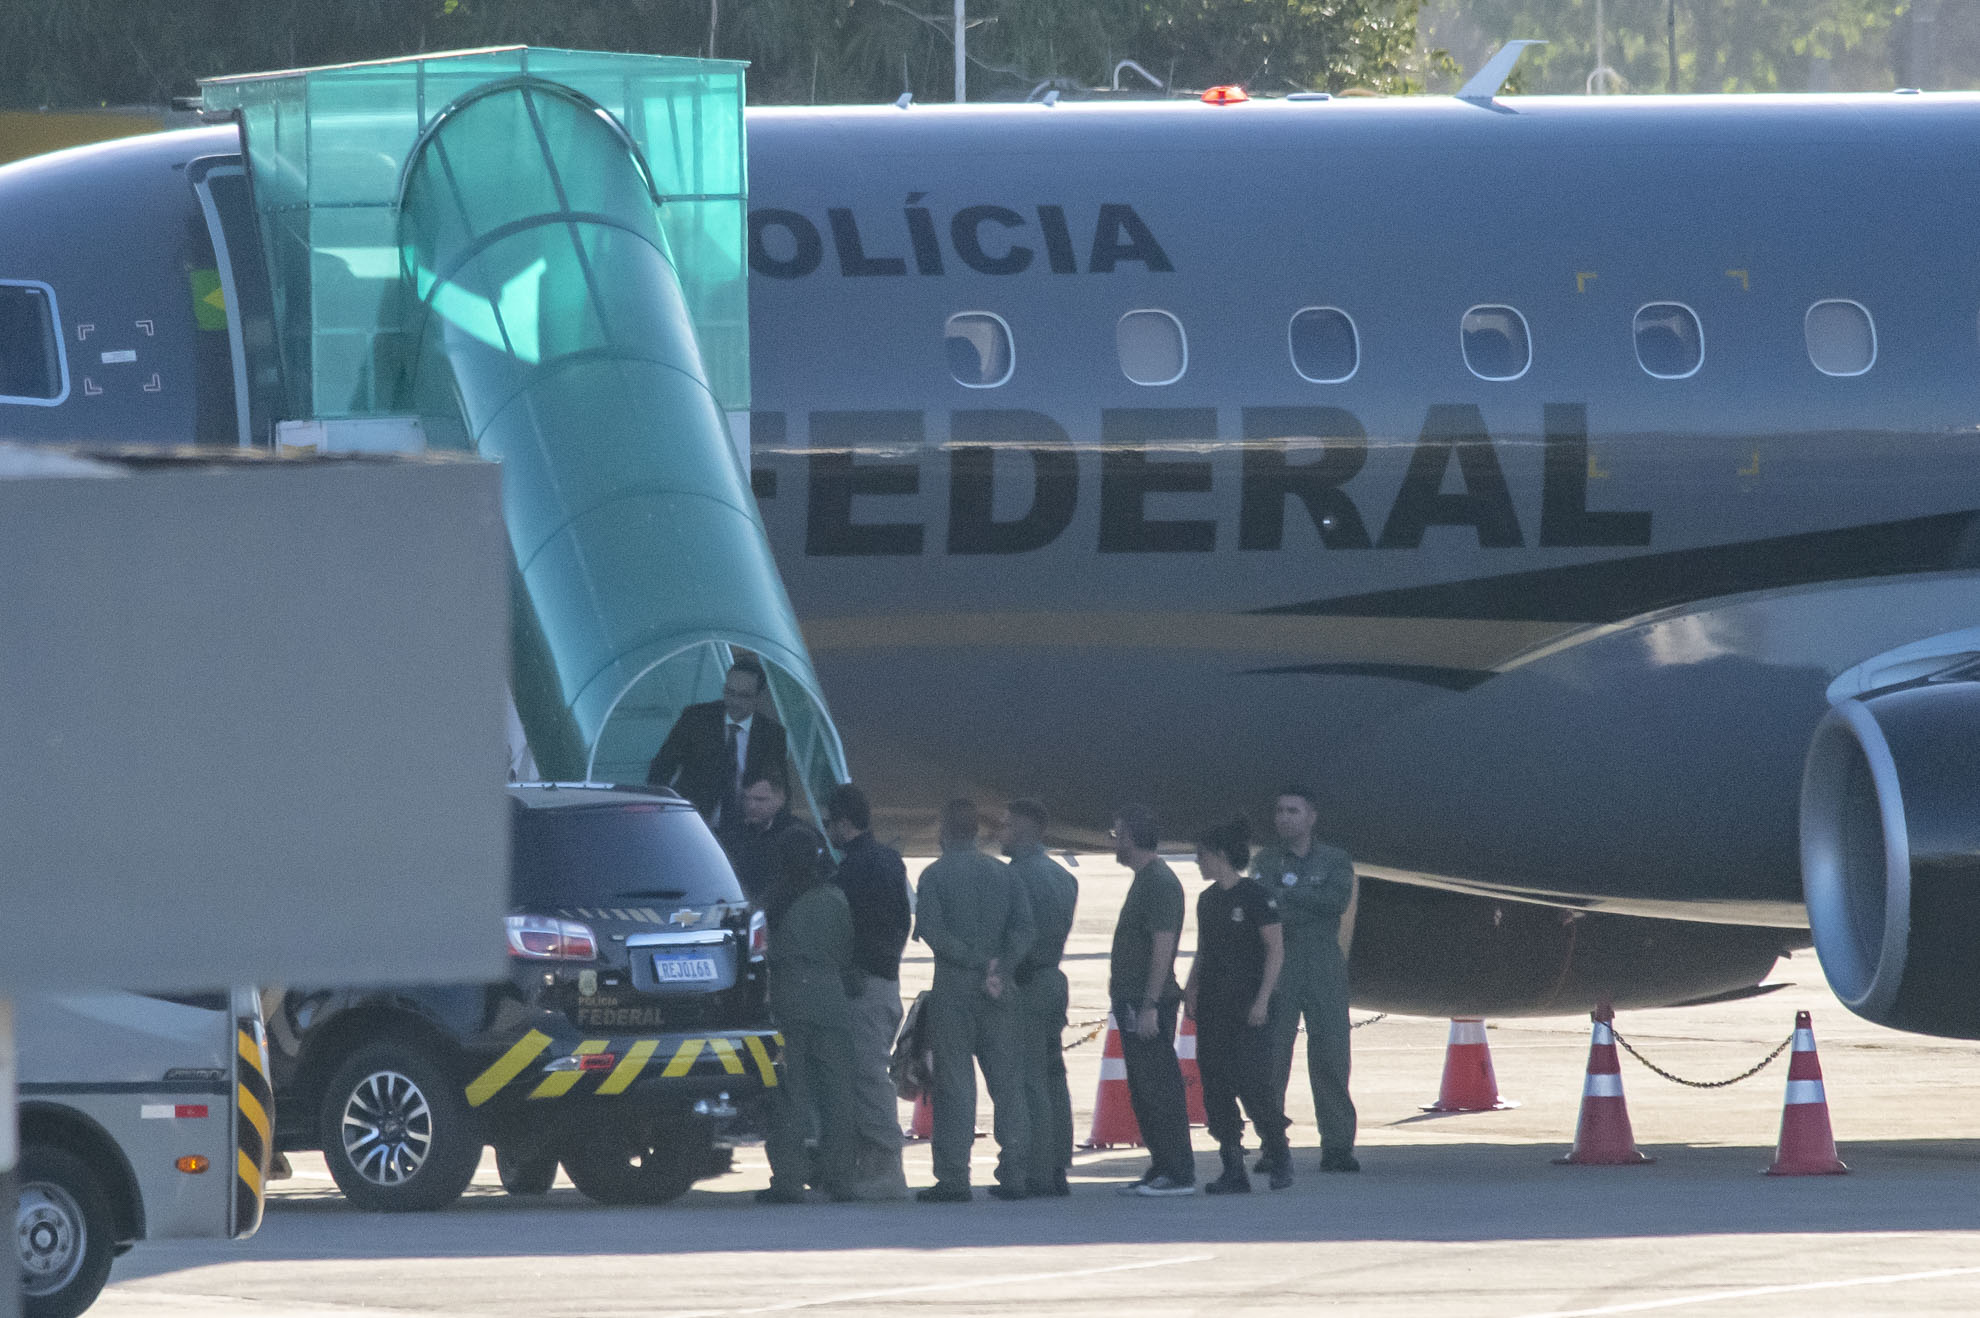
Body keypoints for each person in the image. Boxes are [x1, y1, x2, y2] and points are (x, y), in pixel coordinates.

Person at [912, 797, 1035, 1202]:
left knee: (955, 1087)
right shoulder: (1005, 876)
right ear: (977, 832)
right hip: (1000, 991)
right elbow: (1024, 930)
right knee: (1008, 1084)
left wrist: (976, 962)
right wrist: (1000, 967)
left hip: (954, 991)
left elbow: (931, 931)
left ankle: (953, 1177)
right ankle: (1015, 1173)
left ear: (944, 832)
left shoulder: (933, 877)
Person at [1252, 784, 1360, 1172]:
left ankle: (1338, 1146)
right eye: (1280, 811)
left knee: (1331, 1055)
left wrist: (1287, 896)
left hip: (1322, 965)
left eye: (1293, 811)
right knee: (1272, 1058)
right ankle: (1272, 1144)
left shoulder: (1334, 860)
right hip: (1279, 964)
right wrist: (1299, 898)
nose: (1284, 818)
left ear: (1311, 817)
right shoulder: (1264, 860)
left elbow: (1336, 901)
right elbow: (1261, 904)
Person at [1183, 816, 1291, 1194]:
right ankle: (1232, 1165)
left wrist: (1263, 998)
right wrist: (1191, 988)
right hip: (1214, 1005)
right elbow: (1205, 950)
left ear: (1222, 856)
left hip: (1249, 1006)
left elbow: (1275, 949)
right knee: (1215, 1084)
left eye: (1203, 855)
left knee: (1253, 1084)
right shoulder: (1207, 900)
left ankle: (1278, 1151)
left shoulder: (1256, 896)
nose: (1198, 862)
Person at [758, 828, 859, 1204]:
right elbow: (847, 948)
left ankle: (788, 1178)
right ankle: (841, 1179)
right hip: (830, 995)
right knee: (838, 1091)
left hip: (787, 997)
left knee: (789, 1091)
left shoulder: (774, 901)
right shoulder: (835, 897)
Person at [824, 782, 913, 1201]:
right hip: (886, 980)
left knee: (867, 1079)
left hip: (862, 987)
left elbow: (844, 932)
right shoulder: (890, 862)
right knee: (868, 1075)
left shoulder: (850, 871)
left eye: (830, 823)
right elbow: (901, 923)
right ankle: (874, 1166)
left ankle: (886, 1170)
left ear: (843, 823)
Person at [1108, 803, 1195, 1196]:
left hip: (1148, 1003)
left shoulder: (1159, 883)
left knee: (1159, 1086)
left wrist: (1149, 1005)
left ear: (1131, 838)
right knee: (1143, 1087)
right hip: (1133, 999)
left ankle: (1177, 1172)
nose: (1115, 842)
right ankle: (1162, 1164)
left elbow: (1163, 949)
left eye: (1118, 834)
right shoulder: (1145, 879)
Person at [1000, 798, 1079, 1198]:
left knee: (1028, 1077)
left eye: (1008, 827)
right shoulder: (1064, 877)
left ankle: (1038, 1170)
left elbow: (1015, 935)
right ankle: (1058, 1164)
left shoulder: (1015, 878)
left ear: (1025, 831)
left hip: (1026, 983)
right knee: (1052, 1075)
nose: (1001, 833)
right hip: (1053, 979)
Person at [646, 659, 789, 825]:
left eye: (743, 696)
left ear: (759, 697)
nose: (734, 701)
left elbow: (780, 788)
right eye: (730, 692)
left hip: (744, 827)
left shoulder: (772, 734)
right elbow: (662, 767)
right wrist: (658, 811)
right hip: (693, 821)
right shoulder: (697, 719)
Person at [717, 773, 822, 904]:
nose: (751, 806)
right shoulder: (734, 836)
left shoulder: (800, 836)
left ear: (781, 799)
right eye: (746, 799)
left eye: (760, 800)